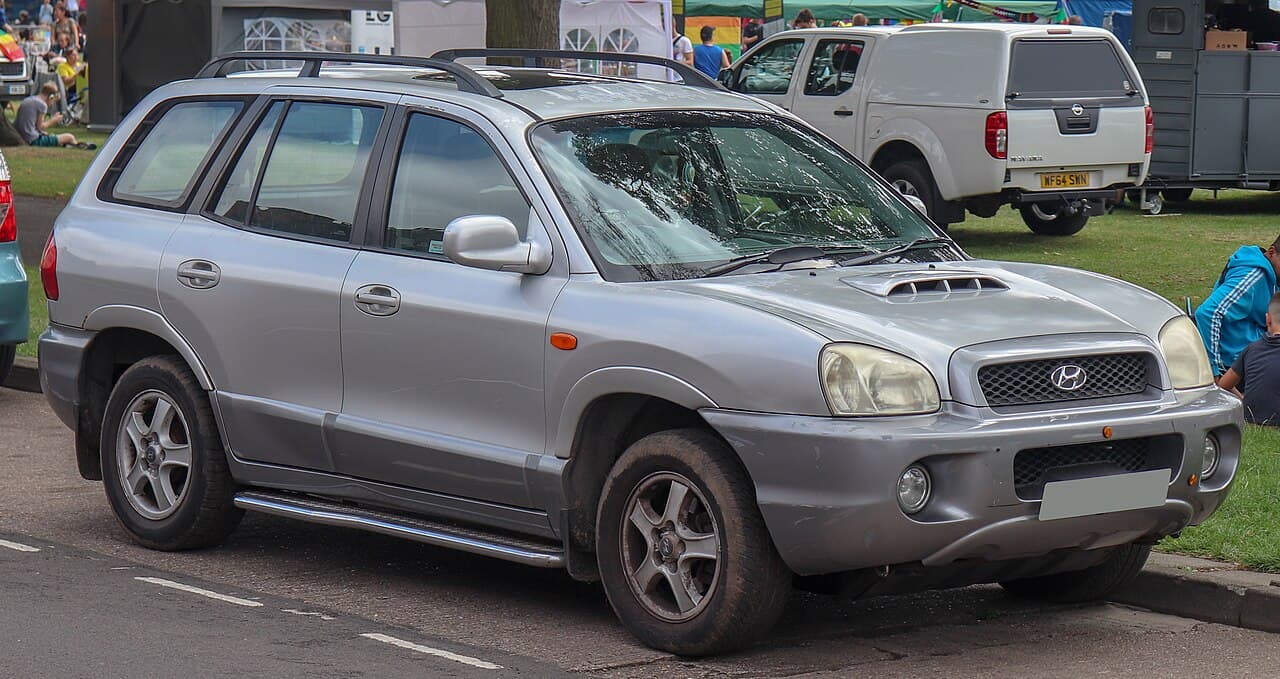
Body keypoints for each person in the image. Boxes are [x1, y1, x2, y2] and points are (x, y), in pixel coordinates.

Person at [1195, 236, 1280, 378]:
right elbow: (1209, 313)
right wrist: (1215, 371)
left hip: (1256, 357)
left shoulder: (1273, 276)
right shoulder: (1252, 275)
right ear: (1272, 252)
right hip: (1236, 365)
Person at [1218, 293, 1280, 424]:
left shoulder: (1251, 349)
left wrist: (1243, 400)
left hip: (1250, 418)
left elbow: (1223, 385)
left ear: (1268, 319)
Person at [15, 82, 79, 147]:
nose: (52, 104)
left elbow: (32, 125)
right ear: (51, 97)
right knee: (69, 137)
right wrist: (54, 120)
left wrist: (41, 133)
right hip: (33, 140)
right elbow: (40, 127)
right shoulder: (42, 105)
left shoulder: (28, 100)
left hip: (21, 136)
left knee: (54, 138)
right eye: (54, 100)